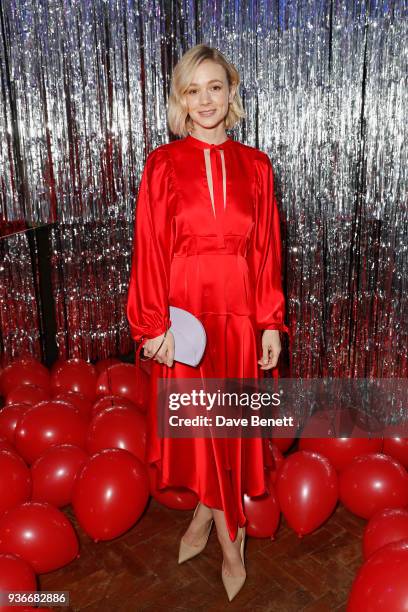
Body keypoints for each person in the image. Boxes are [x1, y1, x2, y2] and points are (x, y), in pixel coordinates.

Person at [126, 43, 290, 602]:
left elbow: (268, 250)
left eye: (215, 87)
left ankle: (205, 518)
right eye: (192, 90)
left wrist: (270, 322)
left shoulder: (258, 166)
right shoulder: (162, 164)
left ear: (231, 91)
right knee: (205, 430)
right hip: (185, 317)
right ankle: (230, 541)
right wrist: (151, 326)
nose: (205, 100)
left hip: (241, 315)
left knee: (228, 430)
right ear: (180, 99)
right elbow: (148, 249)